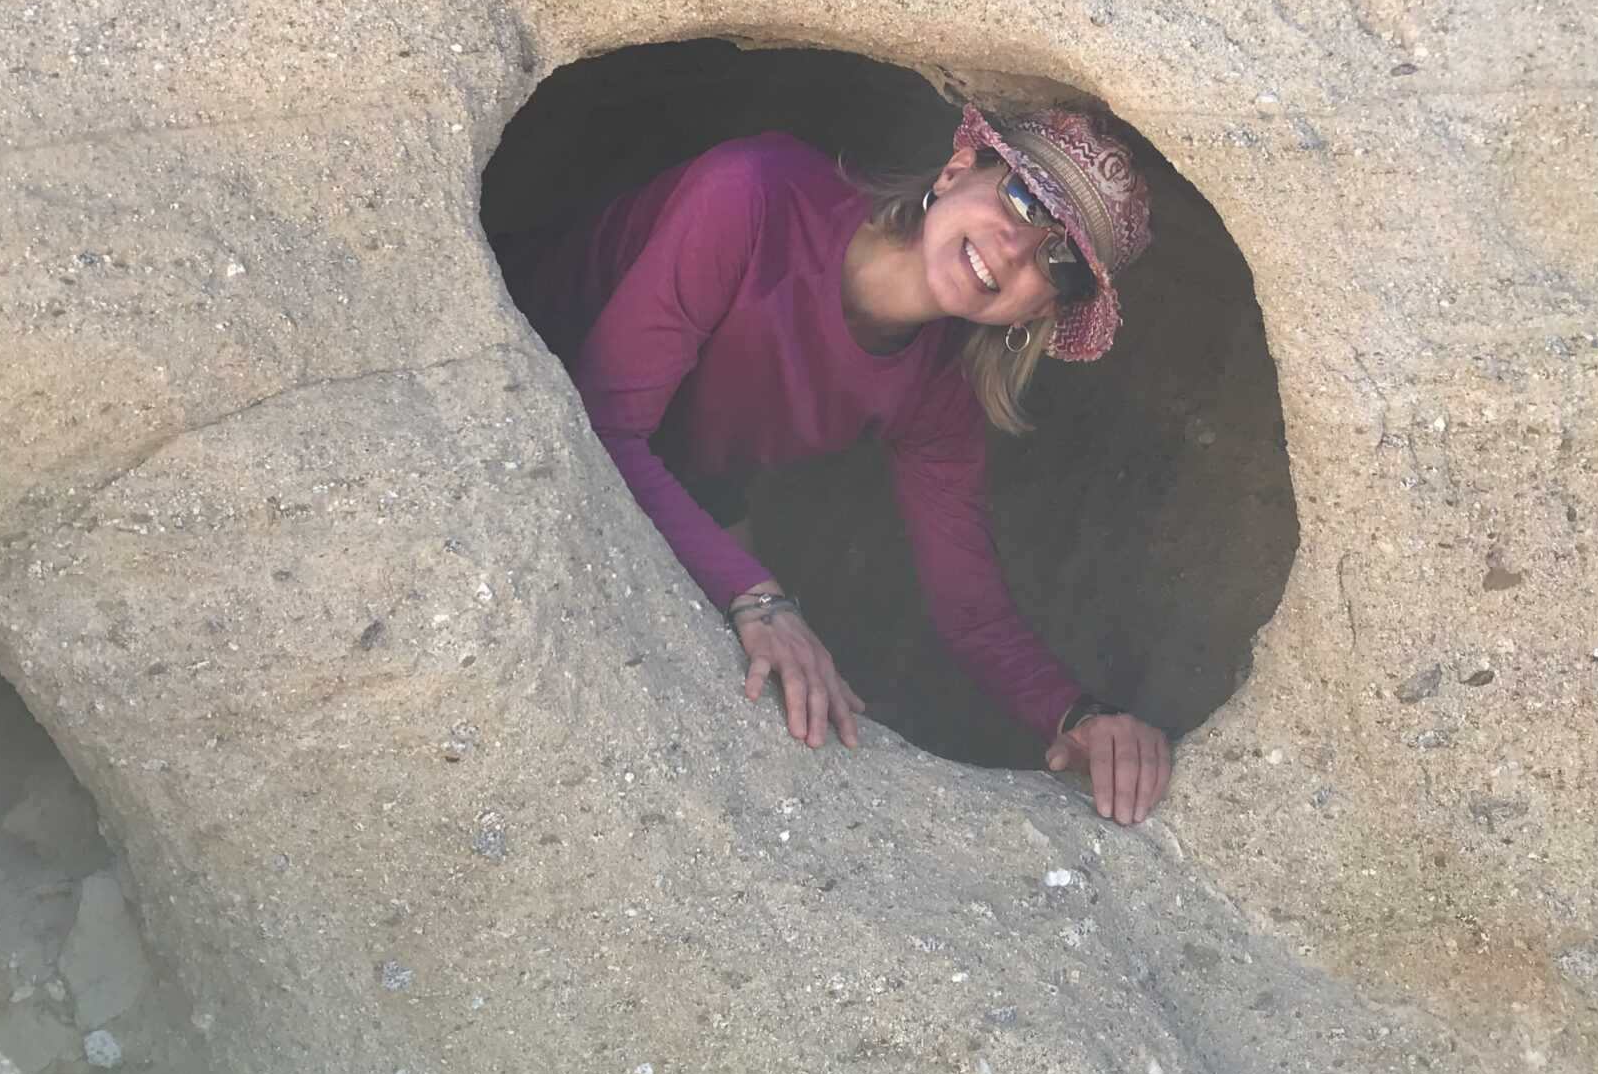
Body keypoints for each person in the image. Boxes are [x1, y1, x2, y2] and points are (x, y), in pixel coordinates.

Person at [503, 103, 1174, 825]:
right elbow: (599, 426)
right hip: (522, 390)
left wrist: (1081, 716)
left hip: (687, 481)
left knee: (762, 706)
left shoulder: (940, 394)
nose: (1016, 250)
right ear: (955, 171)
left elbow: (971, 611)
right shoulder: (754, 194)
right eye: (1023, 197)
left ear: (1037, 313)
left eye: (1059, 262)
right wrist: (760, 597)